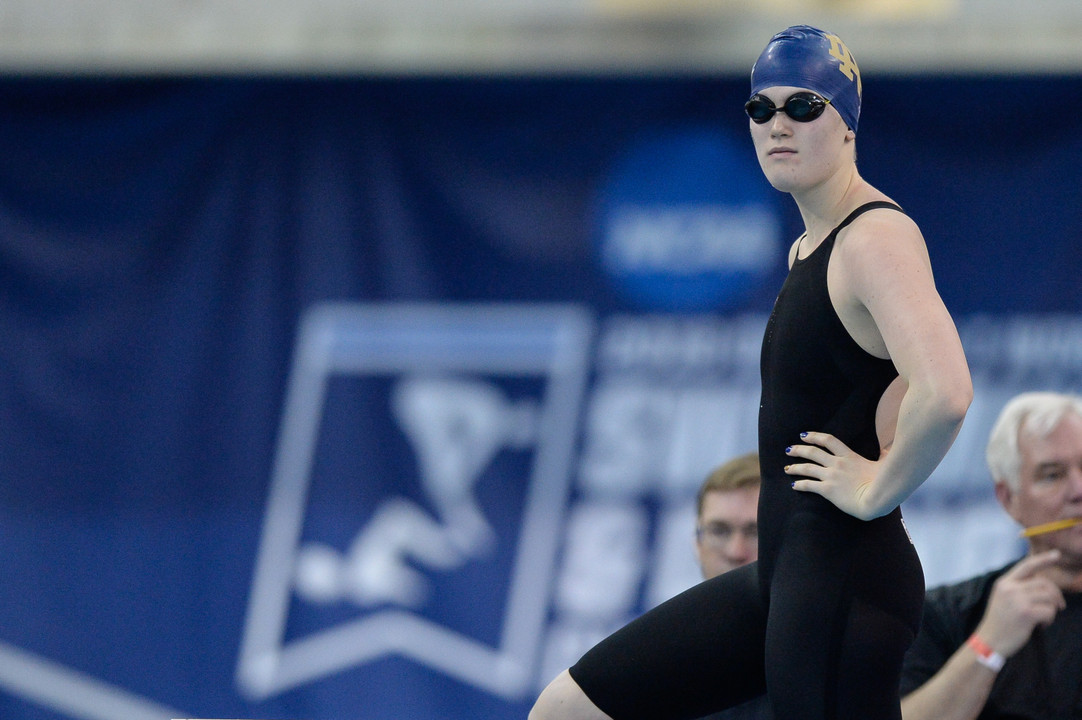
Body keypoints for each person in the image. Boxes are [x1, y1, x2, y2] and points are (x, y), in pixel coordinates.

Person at [529, 23, 972, 720]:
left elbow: (945, 392)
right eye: (761, 109)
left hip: (842, 578)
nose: (778, 125)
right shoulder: (809, 249)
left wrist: (876, 489)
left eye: (804, 106)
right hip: (787, 575)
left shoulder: (875, 237)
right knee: (569, 708)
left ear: (848, 122)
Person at [900, 391, 1082, 720]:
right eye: (1052, 475)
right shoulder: (949, 615)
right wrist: (988, 645)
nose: (1079, 490)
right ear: (1008, 499)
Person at [693, 453, 773, 720]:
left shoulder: (854, 644)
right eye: (719, 530)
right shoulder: (654, 657)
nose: (736, 551)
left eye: (755, 531)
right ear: (697, 545)